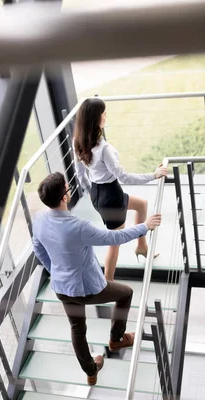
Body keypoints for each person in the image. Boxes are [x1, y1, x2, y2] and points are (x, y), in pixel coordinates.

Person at [32, 172, 162, 385]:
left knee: (77, 328)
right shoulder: (78, 227)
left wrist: (54, 270)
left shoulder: (39, 220)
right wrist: (144, 226)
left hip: (61, 287)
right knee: (126, 293)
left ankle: (91, 372)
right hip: (87, 289)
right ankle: (117, 339)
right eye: (68, 188)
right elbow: (113, 237)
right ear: (64, 197)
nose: (70, 190)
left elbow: (38, 248)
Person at [73, 97, 168, 281]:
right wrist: (153, 175)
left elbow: (80, 174)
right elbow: (124, 177)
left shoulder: (78, 141)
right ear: (96, 119)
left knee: (141, 205)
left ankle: (142, 247)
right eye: (103, 113)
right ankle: (108, 283)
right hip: (111, 197)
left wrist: (92, 192)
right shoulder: (103, 149)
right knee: (114, 243)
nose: (106, 115)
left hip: (99, 194)